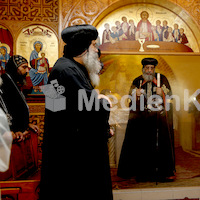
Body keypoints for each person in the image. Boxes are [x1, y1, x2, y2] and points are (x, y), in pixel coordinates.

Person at [39, 24, 113, 200]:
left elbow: (63, 109)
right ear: (82, 49)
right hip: (74, 154)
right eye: (94, 45)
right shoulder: (68, 71)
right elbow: (88, 110)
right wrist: (104, 102)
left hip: (63, 147)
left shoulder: (61, 67)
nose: (97, 50)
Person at [117, 57, 175, 182]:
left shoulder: (162, 80)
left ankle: (161, 173)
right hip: (141, 122)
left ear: (154, 69)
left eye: (152, 68)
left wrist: (162, 94)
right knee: (141, 148)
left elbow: (170, 98)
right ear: (143, 69)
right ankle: (142, 173)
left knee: (159, 147)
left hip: (158, 121)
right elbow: (128, 100)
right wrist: (134, 95)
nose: (149, 71)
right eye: (147, 68)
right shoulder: (137, 81)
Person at [0, 55, 39, 142]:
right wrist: (11, 130)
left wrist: (26, 125)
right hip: (9, 135)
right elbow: (4, 110)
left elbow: (15, 109)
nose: (27, 70)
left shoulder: (13, 81)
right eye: (24, 67)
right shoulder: (4, 83)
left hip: (18, 134)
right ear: (15, 68)